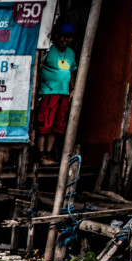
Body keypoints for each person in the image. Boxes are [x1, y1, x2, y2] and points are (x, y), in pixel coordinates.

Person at [35, 24, 78, 163]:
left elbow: (71, 72)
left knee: (57, 126)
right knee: (44, 124)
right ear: (57, 36)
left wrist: (72, 89)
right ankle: (41, 155)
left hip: (64, 94)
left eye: (69, 37)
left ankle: (48, 154)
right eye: (63, 36)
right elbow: (38, 66)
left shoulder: (71, 53)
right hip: (48, 92)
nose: (66, 39)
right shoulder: (48, 50)